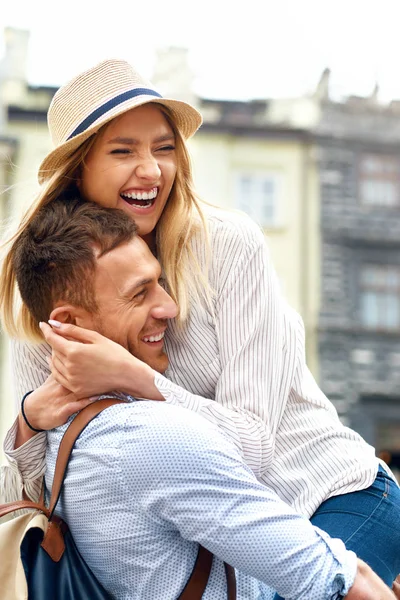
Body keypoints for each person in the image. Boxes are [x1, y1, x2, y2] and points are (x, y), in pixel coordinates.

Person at [1, 58, 400, 591]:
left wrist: (132, 377)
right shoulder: (49, 280)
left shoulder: (228, 245)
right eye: (123, 151)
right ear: (79, 170)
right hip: (212, 538)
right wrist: (30, 419)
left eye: (163, 148)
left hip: (326, 494)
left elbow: (254, 448)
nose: (151, 170)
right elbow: (35, 483)